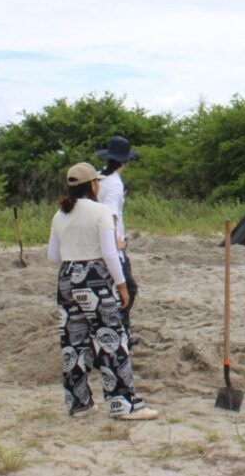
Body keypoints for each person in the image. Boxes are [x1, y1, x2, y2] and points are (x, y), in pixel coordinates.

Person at [47, 162, 157, 420]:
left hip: (66, 280)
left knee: (74, 343)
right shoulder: (101, 212)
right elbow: (109, 253)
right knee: (111, 339)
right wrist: (121, 285)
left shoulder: (59, 215)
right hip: (95, 280)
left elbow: (53, 256)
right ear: (93, 185)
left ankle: (79, 403)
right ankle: (123, 404)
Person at [96, 136, 139, 347]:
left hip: (96, 241)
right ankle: (120, 335)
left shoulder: (98, 177)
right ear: (125, 161)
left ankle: (124, 334)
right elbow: (111, 214)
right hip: (112, 244)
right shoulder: (114, 184)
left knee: (110, 291)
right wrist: (116, 243)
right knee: (127, 290)